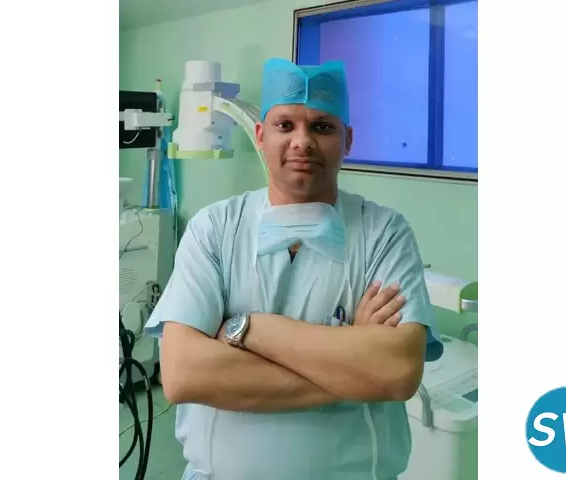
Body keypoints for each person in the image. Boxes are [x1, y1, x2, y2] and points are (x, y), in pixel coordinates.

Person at [144, 57, 444, 480]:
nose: (302, 141)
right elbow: (183, 374)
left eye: (322, 127)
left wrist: (248, 329)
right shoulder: (214, 228)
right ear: (260, 135)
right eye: (285, 125)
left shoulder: (384, 233)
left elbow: (396, 373)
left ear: (348, 140)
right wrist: (351, 364)